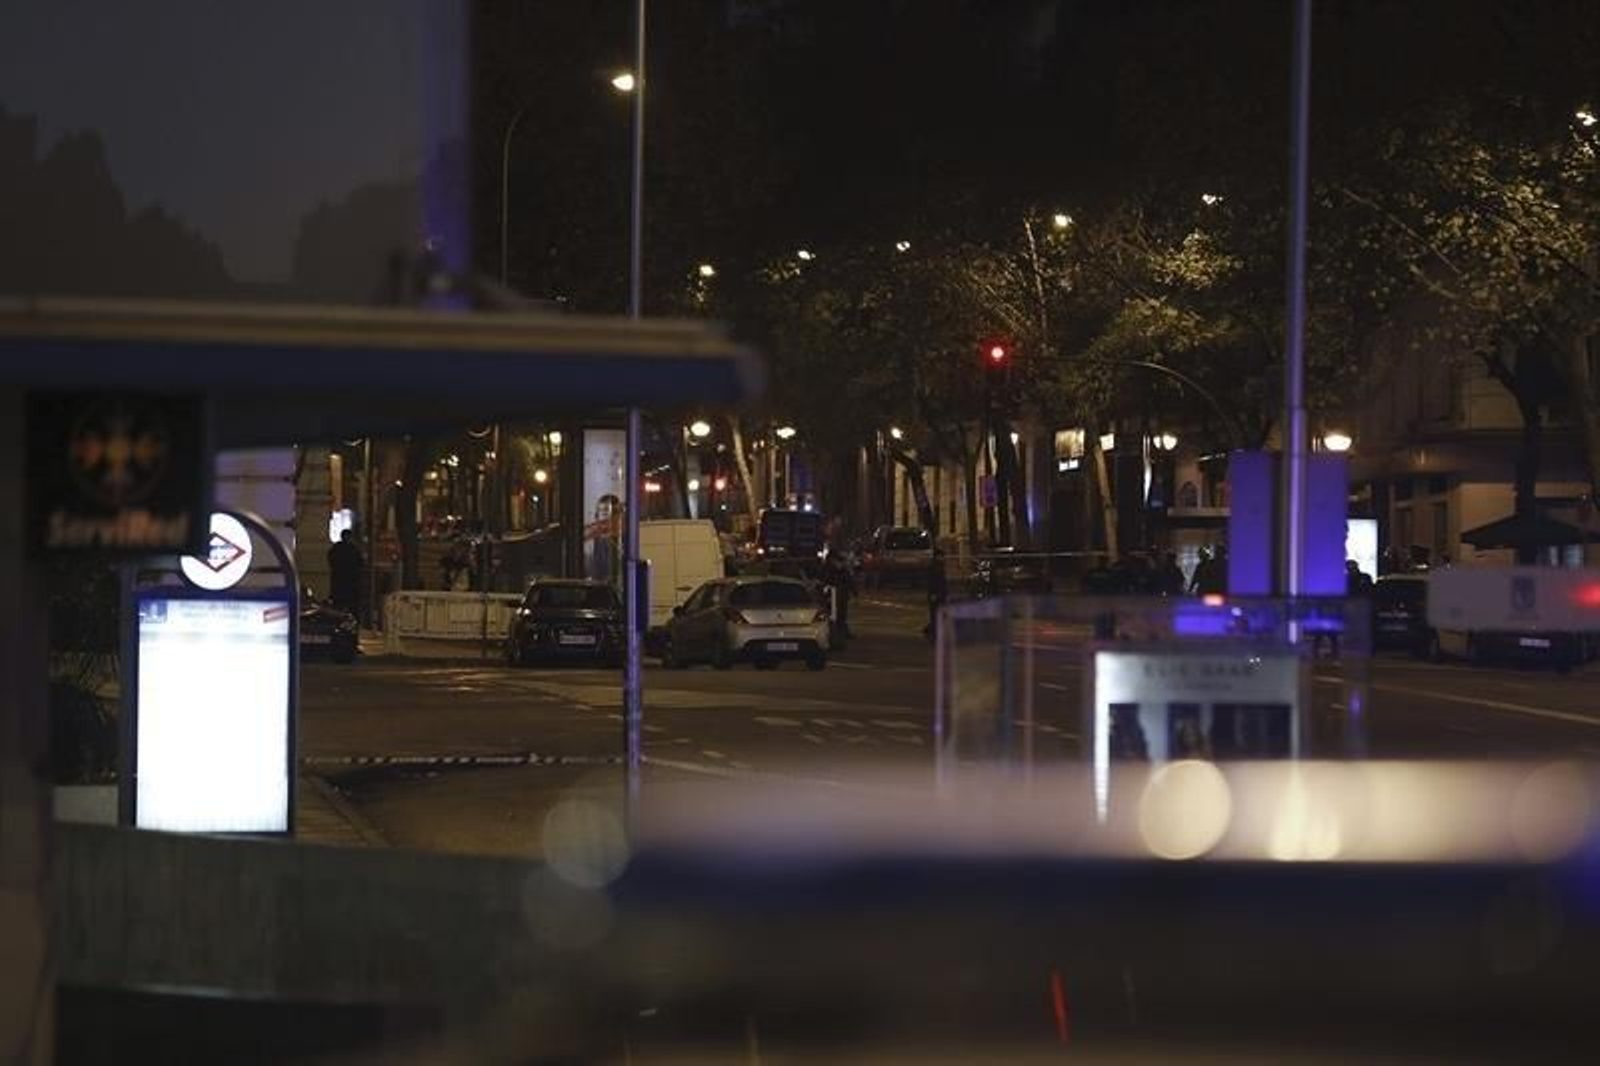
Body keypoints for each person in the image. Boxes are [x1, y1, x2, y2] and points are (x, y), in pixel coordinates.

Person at [327, 529, 365, 622]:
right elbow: (360, 563)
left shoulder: (336, 548)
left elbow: (331, 561)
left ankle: (338, 620)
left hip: (338, 581)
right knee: (351, 605)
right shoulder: (354, 549)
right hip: (351, 582)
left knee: (338, 604)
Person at [923, 546, 948, 641]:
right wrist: (933, 594)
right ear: (937, 556)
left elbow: (942, 582)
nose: (943, 558)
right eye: (942, 556)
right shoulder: (934, 567)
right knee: (936, 613)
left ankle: (933, 629)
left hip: (940, 594)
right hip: (936, 594)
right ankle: (933, 631)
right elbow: (932, 582)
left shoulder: (939, 566)